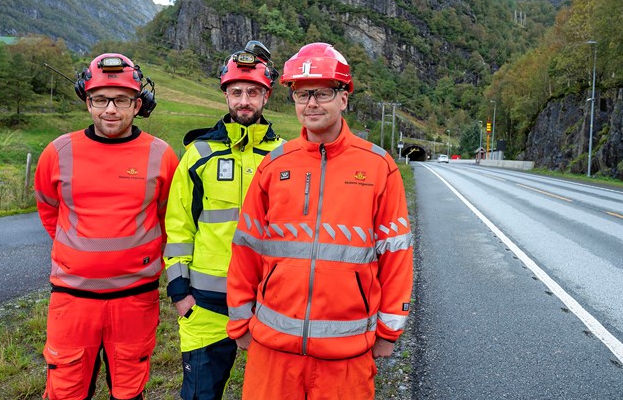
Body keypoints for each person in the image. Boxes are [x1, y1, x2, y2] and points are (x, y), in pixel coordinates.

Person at [226, 42, 414, 399]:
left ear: (344, 98)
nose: (311, 103)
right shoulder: (274, 165)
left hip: (346, 356)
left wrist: (389, 332)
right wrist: (239, 321)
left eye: (323, 93)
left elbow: (396, 255)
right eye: (302, 94)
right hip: (273, 352)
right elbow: (246, 246)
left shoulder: (379, 167)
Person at [34, 53, 179, 400]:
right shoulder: (58, 152)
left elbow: (166, 218)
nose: (110, 110)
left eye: (121, 100)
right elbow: (49, 210)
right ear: (87, 101)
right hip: (72, 300)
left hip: (135, 299)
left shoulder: (162, 155)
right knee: (66, 389)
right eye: (100, 100)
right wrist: (81, 256)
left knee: (129, 391)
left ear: (138, 103)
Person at [164, 40, 283, 400]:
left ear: (266, 96)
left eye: (252, 92)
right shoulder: (198, 153)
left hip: (269, 304)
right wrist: (179, 292)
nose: (244, 100)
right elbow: (179, 225)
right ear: (225, 95)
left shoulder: (284, 156)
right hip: (204, 306)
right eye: (236, 92)